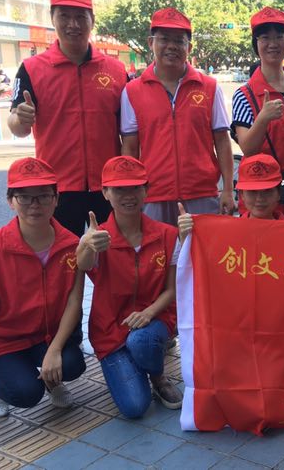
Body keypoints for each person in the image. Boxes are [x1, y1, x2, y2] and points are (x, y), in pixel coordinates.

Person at [0, 158, 86, 417]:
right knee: (25, 394)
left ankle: (49, 377)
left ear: (56, 199)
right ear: (10, 201)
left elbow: (74, 302)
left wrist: (55, 351)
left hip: (45, 334)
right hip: (1, 337)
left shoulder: (73, 245)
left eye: (43, 196)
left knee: (73, 365)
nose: (34, 205)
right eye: (24, 197)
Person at [7, 0, 126, 237]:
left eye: (81, 16)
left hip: (108, 186)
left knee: (112, 253)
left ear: (92, 20)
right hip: (57, 188)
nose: (73, 24)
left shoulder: (116, 70)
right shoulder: (31, 69)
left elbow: (129, 132)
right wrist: (20, 118)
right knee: (62, 256)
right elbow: (18, 127)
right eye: (64, 16)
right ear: (52, 18)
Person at [76, 156, 182, 418]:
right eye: (119, 189)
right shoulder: (98, 237)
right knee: (135, 407)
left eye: (135, 188)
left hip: (154, 320)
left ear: (146, 190)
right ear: (105, 193)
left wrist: (148, 313)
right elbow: (83, 264)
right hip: (111, 329)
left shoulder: (167, 235)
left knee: (142, 341)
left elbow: (172, 290)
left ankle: (157, 376)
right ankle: (133, 362)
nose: (128, 196)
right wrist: (87, 245)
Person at [120, 7, 235, 226]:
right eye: (164, 39)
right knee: (156, 248)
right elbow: (130, 147)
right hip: (153, 195)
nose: (172, 46)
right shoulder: (132, 91)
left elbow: (222, 140)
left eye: (179, 41)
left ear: (189, 47)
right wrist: (131, 191)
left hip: (202, 194)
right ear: (151, 43)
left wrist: (228, 189)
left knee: (202, 248)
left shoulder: (209, 88)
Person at [231, 7, 284, 221]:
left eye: (280, 36)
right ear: (256, 44)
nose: (273, 43)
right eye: (265, 37)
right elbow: (248, 148)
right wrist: (263, 119)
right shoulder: (244, 95)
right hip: (260, 201)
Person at [177, 154, 284, 240]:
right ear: (241, 195)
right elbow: (204, 264)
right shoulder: (227, 233)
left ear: (279, 193)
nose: (260, 198)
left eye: (267, 191)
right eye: (253, 192)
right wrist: (186, 238)